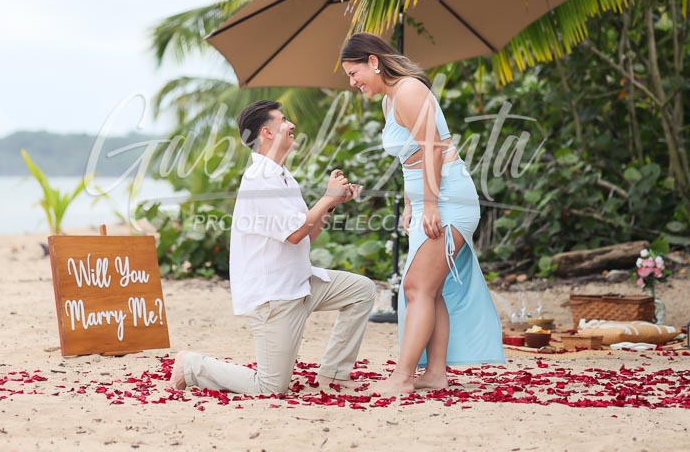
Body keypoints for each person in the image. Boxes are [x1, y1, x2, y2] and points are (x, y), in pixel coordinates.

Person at [168, 100, 375, 394]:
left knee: (361, 290)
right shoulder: (260, 180)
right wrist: (327, 198)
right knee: (270, 387)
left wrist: (332, 204)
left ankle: (334, 375)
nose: (291, 125)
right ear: (267, 132)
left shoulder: (281, 176)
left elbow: (305, 236)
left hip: (300, 282)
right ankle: (191, 365)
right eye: (283, 120)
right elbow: (294, 234)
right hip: (275, 295)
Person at [340, 33, 505, 394]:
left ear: (373, 61)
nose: (353, 83)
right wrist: (411, 204)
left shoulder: (409, 90)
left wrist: (429, 204)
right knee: (430, 289)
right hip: (429, 196)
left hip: (448, 197)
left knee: (416, 287)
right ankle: (435, 374)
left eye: (354, 73)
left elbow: (433, 148)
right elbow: (409, 158)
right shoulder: (390, 101)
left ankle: (403, 377)